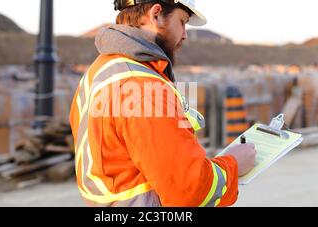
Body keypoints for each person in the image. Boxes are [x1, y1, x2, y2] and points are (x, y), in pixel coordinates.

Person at [69, 0, 256, 207]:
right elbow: (189, 191)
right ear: (156, 14)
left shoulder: (101, 70)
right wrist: (234, 164)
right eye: (182, 22)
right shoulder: (142, 87)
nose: (184, 34)